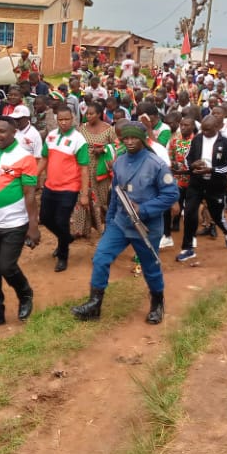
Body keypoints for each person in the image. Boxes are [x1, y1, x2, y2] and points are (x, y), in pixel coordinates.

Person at [71, 121, 179, 324]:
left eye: (134, 138)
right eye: (125, 138)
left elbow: (171, 194)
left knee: (150, 266)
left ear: (143, 139)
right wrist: (109, 221)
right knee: (101, 258)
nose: (129, 142)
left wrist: (144, 209)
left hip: (146, 226)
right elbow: (115, 194)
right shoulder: (119, 161)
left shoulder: (156, 164)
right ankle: (95, 304)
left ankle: (157, 303)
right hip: (120, 223)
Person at [0, 117, 40, 329]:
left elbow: (30, 193)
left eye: (2, 131)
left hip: (15, 223)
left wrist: (33, 226)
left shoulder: (25, 158)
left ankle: (25, 293)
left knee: (7, 266)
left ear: (13, 133)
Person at [177, 115, 227, 262]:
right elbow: (187, 158)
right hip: (196, 183)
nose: (204, 132)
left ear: (216, 127)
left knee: (216, 215)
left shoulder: (224, 142)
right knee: (189, 213)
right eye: (202, 129)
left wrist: (211, 170)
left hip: (215, 184)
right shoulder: (197, 139)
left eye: (208, 130)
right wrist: (193, 165)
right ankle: (188, 248)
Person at [39, 108, 90, 272]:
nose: (63, 122)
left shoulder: (78, 140)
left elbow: (84, 169)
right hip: (50, 185)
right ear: (57, 120)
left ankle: (63, 256)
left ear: (72, 119)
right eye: (60, 120)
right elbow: (44, 158)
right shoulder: (51, 136)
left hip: (69, 187)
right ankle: (66, 238)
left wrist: (84, 194)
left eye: (67, 119)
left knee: (62, 221)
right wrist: (33, 177)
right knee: (45, 218)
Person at [71, 100, 117, 239]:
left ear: (99, 114)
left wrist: (104, 149)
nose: (88, 116)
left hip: (101, 168)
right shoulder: (82, 128)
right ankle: (80, 229)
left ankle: (105, 227)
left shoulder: (109, 129)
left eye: (91, 114)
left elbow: (117, 146)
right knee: (83, 195)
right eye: (87, 114)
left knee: (101, 198)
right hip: (84, 167)